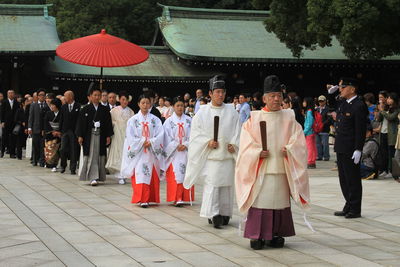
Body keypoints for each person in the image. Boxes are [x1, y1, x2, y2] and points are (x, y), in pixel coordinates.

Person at [235, 75, 310, 250]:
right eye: (272, 96)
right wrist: (256, 152)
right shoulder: (254, 119)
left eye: (279, 95)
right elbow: (245, 143)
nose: (276, 99)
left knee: (280, 204)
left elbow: (298, 140)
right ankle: (257, 235)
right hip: (263, 169)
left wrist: (291, 149)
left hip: (282, 168)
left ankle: (276, 233)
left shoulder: (290, 117)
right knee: (262, 203)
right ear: (264, 99)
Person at [183, 75, 240, 229]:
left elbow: (238, 131)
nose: (220, 95)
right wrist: (207, 142)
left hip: (227, 156)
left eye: (222, 92)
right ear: (210, 94)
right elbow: (195, 135)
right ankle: (213, 213)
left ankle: (225, 212)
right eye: (217, 92)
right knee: (213, 185)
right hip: (212, 157)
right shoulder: (202, 112)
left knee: (227, 185)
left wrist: (234, 144)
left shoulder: (232, 111)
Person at [332, 77, 368, 219]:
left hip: (351, 148)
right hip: (341, 146)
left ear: (352, 89)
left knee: (352, 179)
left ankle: (355, 208)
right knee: (344, 179)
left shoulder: (358, 105)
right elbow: (336, 99)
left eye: (343, 87)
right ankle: (348, 204)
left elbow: (360, 129)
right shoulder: (344, 103)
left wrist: (358, 148)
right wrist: (334, 91)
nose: (340, 89)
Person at [120, 95, 164, 208]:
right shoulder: (133, 120)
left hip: (151, 152)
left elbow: (160, 134)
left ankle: (149, 198)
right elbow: (130, 136)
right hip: (139, 152)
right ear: (139, 104)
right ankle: (141, 199)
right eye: (143, 103)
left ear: (150, 104)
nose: (145, 105)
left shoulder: (155, 120)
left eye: (147, 103)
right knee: (140, 173)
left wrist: (152, 141)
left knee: (150, 174)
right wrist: (142, 141)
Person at [76, 87, 113, 186]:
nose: (97, 97)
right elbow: (80, 123)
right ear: (90, 96)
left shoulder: (104, 109)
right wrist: (80, 135)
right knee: (91, 155)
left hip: (101, 134)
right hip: (89, 135)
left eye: (99, 95)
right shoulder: (85, 109)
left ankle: (98, 176)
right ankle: (92, 177)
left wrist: (108, 135)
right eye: (95, 95)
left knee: (99, 155)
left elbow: (108, 123)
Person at [163, 97, 194, 207]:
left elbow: (194, 136)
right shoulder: (168, 121)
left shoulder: (189, 120)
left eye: (182, 105)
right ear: (173, 107)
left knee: (185, 174)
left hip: (185, 152)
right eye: (178, 105)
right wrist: (176, 145)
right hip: (174, 153)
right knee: (175, 175)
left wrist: (186, 144)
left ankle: (184, 197)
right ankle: (176, 197)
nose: (180, 107)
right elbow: (165, 137)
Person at [105, 91, 135, 184]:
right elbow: (110, 123)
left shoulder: (131, 112)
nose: (124, 101)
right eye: (123, 99)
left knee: (125, 154)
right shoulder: (113, 111)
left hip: (127, 136)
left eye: (126, 100)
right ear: (119, 100)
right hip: (117, 135)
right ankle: (119, 175)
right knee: (118, 153)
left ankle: (124, 175)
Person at [377, 92, 399, 179]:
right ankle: (384, 170)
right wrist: (381, 110)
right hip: (382, 132)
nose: (388, 100)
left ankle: (391, 171)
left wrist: (382, 111)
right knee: (383, 153)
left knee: (391, 153)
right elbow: (379, 119)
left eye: (390, 98)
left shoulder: (397, 109)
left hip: (391, 134)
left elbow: (391, 118)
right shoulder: (385, 108)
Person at [59, 91, 81, 175]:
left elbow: (79, 120)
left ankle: (73, 168)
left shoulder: (78, 106)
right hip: (65, 131)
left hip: (74, 132)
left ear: (71, 97)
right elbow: (61, 120)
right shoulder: (63, 107)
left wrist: (78, 132)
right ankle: (63, 166)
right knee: (63, 149)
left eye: (65, 96)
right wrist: (60, 131)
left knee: (74, 150)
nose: (64, 98)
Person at [28, 89, 50, 167]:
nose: (42, 96)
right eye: (40, 95)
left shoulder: (47, 105)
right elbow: (31, 117)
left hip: (44, 129)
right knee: (35, 145)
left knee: (42, 146)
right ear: (37, 96)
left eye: (43, 95)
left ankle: (42, 161)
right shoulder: (33, 105)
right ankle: (34, 160)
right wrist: (29, 128)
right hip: (35, 128)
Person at [43, 99, 62, 171]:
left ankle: (54, 165)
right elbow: (46, 123)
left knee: (56, 151)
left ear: (57, 106)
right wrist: (52, 131)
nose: (51, 106)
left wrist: (58, 132)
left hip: (58, 134)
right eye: (51, 105)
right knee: (49, 150)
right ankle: (48, 163)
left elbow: (63, 123)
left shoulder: (61, 113)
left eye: (53, 105)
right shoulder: (48, 113)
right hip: (50, 134)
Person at [1, 90, 18, 158]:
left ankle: (12, 153)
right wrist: (2, 121)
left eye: (12, 93)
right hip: (6, 123)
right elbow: (2, 112)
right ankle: (2, 152)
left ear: (14, 94)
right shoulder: (4, 102)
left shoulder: (16, 102)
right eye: (9, 93)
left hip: (14, 123)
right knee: (4, 138)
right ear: (7, 94)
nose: (11, 95)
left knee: (13, 138)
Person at [316, 95, 332, 161]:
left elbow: (329, 119)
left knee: (325, 144)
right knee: (318, 144)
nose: (321, 102)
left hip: (325, 129)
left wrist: (322, 124)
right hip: (317, 129)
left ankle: (326, 156)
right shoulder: (316, 109)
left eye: (322, 101)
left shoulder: (328, 109)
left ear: (325, 101)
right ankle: (319, 156)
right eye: (319, 101)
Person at [303, 97, 317, 168]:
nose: (303, 103)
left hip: (309, 132)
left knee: (309, 148)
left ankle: (310, 161)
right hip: (311, 132)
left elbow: (309, 123)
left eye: (304, 102)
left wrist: (304, 132)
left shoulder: (309, 112)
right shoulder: (311, 111)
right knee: (312, 147)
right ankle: (312, 161)